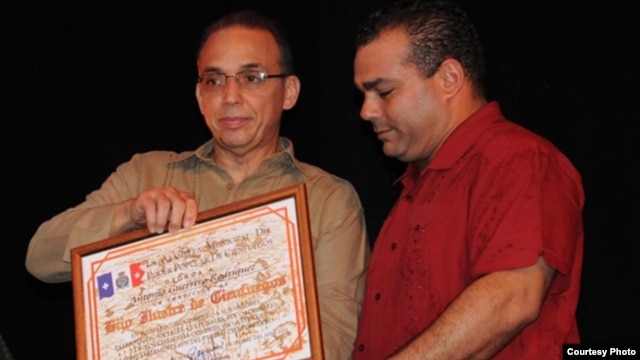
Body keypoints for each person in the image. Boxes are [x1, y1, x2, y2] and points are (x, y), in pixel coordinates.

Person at [25, 10, 369, 359]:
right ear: (199, 95)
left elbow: (333, 341)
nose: (230, 96)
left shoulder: (328, 200)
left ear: (289, 92)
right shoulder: (145, 174)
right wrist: (128, 215)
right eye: (214, 81)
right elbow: (40, 259)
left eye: (252, 77)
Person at [351, 0, 584, 359]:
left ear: (449, 79)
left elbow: (512, 297)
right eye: (363, 95)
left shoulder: (520, 159)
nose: (367, 111)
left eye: (384, 92)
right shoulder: (416, 184)